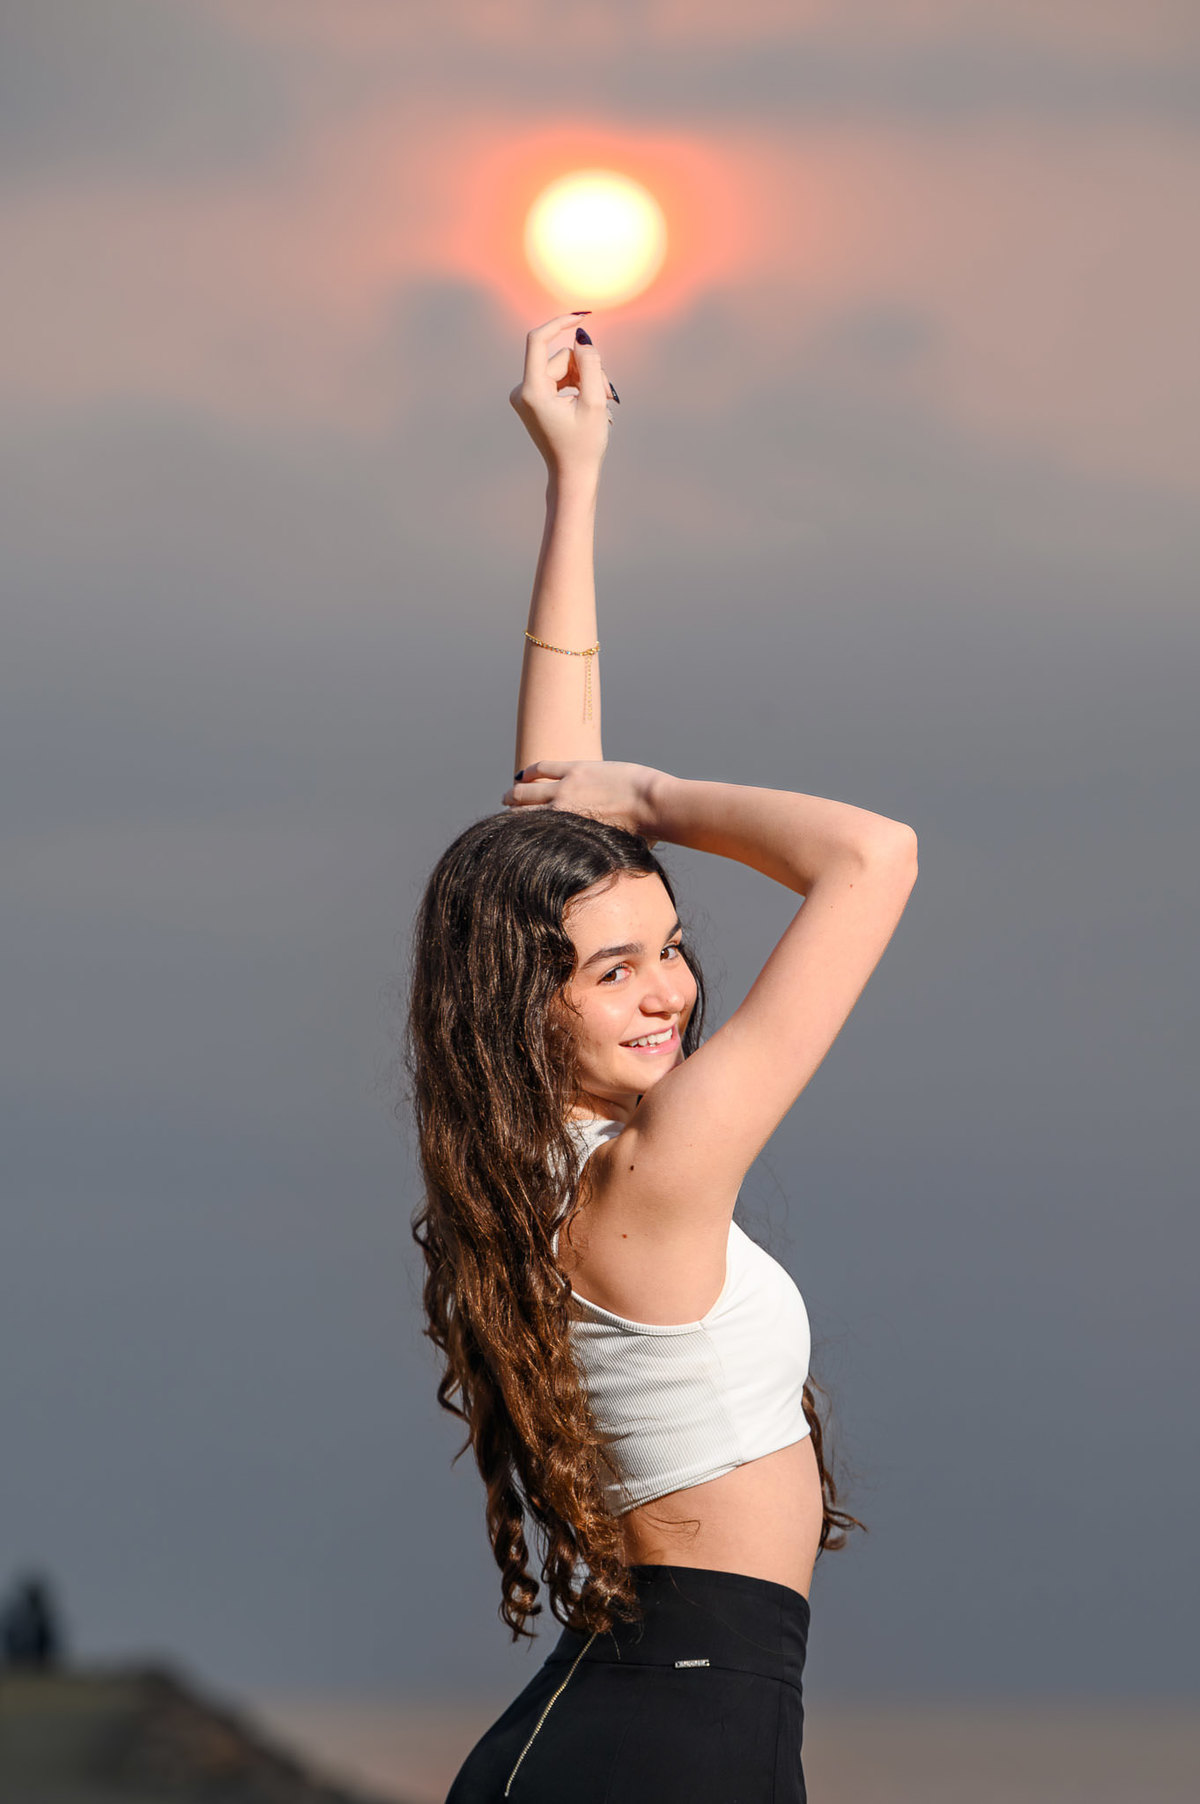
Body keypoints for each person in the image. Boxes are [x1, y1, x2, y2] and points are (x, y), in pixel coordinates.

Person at [407, 313, 919, 1803]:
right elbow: (872, 859)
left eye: (672, 947)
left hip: (652, 1715)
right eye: (613, 971)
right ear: (527, 1005)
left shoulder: (542, 1161)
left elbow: (548, 822)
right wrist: (664, 794)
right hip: (666, 1735)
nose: (668, 992)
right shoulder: (650, 1173)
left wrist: (575, 477)